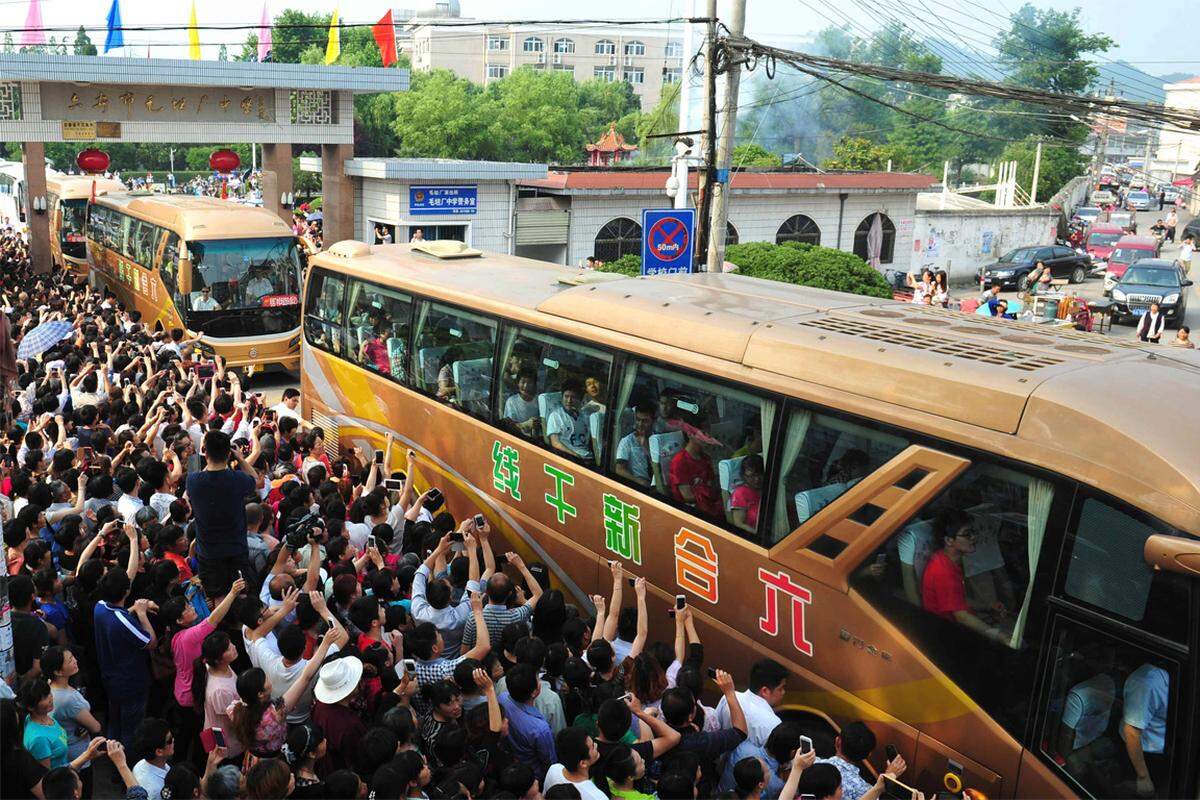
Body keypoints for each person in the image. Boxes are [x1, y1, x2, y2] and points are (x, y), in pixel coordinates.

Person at [920, 509, 1008, 644]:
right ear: (949, 540)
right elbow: (962, 616)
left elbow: (959, 599)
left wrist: (988, 606)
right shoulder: (942, 570)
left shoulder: (949, 560)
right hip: (947, 636)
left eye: (973, 532)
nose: (974, 537)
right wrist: (1001, 637)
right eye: (967, 534)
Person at [186, 430, 258, 595]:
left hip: (207, 553)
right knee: (240, 595)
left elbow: (197, 470)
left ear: (204, 451)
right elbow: (256, 480)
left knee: (216, 597)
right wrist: (240, 458)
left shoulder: (193, 480)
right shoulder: (238, 479)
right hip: (236, 550)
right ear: (228, 453)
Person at [1122, 663, 1169, 797]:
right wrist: (1143, 776)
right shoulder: (1145, 683)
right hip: (1143, 755)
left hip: (1165, 748)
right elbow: (1131, 731)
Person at [547, 379, 593, 462]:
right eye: (566, 396)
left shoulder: (585, 416)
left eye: (573, 397)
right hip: (570, 458)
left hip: (587, 456)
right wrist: (574, 455)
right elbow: (555, 442)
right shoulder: (556, 416)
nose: (569, 400)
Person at [614, 402, 655, 487]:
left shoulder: (657, 439)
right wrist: (639, 481)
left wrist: (646, 449)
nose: (640, 424)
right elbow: (619, 469)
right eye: (638, 419)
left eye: (645, 421)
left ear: (652, 421)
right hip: (639, 484)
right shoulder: (627, 441)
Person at [729, 454, 764, 536]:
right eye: (751, 476)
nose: (757, 479)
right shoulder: (740, 493)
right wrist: (759, 535)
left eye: (759, 474)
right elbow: (739, 523)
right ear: (743, 476)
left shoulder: (768, 487)